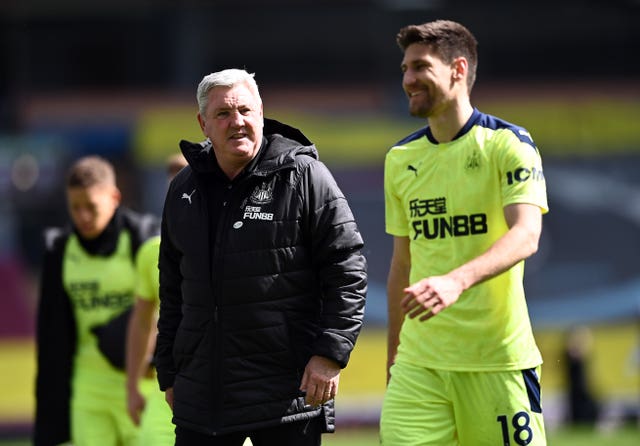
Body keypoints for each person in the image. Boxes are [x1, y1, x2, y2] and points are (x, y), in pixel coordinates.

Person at [154, 68, 367, 445]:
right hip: (203, 397)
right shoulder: (182, 189)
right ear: (203, 124)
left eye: (246, 111)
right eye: (223, 114)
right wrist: (170, 372)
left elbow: (347, 268)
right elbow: (173, 288)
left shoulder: (305, 176)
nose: (237, 122)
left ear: (261, 114)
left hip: (286, 395)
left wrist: (331, 353)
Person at [380, 20, 549, 445]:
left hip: (496, 362)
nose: (408, 80)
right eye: (404, 69)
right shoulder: (400, 160)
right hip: (420, 366)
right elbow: (403, 265)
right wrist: (394, 359)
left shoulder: (508, 144)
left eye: (419, 67)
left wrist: (457, 281)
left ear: (458, 68)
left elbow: (527, 234)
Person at [34, 155, 160, 446]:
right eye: (75, 208)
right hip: (87, 390)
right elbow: (51, 333)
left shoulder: (144, 239)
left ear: (114, 197)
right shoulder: (60, 250)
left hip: (141, 385)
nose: (83, 217)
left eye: (91, 206)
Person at [125, 153, 188, 445]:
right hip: (169, 391)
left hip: (229, 389)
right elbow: (142, 323)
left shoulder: (236, 246)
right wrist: (132, 387)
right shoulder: (152, 252)